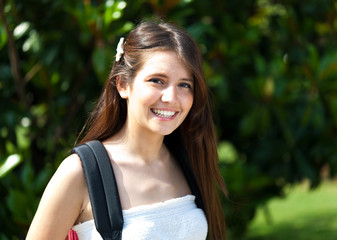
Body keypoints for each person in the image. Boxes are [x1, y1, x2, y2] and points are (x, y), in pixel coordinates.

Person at [26, 20, 227, 240]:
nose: (171, 98)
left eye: (184, 85)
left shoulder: (189, 159)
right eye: (157, 80)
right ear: (122, 84)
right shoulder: (81, 172)